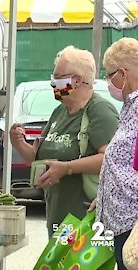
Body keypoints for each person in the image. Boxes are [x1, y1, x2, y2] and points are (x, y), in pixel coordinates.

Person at [9, 45, 119, 238]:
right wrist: (18, 143)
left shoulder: (100, 111)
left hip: (86, 221)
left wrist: (67, 167)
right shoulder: (59, 112)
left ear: (77, 81)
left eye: (58, 77)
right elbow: (40, 162)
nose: (53, 83)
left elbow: (110, 159)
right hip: (57, 218)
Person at [89, 37, 138, 270]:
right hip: (121, 222)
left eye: (109, 75)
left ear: (123, 74)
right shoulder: (129, 108)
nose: (108, 82)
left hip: (132, 223)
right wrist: (104, 197)